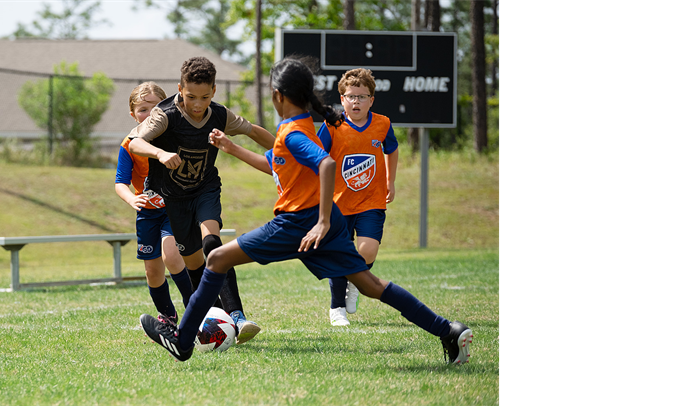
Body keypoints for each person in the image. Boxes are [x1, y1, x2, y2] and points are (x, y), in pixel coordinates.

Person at [139, 57, 473, 365]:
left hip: (298, 222)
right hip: (319, 223)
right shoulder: (296, 126)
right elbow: (272, 164)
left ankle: (183, 341)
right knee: (371, 285)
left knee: (216, 260)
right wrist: (231, 147)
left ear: (277, 95)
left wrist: (321, 221)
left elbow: (326, 165)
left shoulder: (295, 132)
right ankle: (449, 331)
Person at [128, 56, 275, 344]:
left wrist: (288, 148)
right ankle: (215, 319)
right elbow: (135, 142)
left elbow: (253, 130)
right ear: (180, 88)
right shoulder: (164, 114)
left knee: (213, 246)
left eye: (205, 97)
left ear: (214, 91)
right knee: (194, 263)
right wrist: (160, 153)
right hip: (174, 198)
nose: (198, 104)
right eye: (191, 96)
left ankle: (238, 317)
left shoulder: (219, 114)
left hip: (205, 189)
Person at [316, 68, 399, 326]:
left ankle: (354, 282)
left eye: (362, 97)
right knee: (339, 253)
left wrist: (391, 181)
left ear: (371, 100)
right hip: (338, 202)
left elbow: (392, 150)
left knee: (368, 251)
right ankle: (336, 308)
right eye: (351, 96)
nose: (356, 102)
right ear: (342, 99)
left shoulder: (382, 124)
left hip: (371, 201)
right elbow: (316, 157)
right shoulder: (332, 126)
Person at [115, 82, 194, 327]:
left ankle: (196, 309)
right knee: (153, 271)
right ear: (132, 114)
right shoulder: (129, 144)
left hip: (174, 209)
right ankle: (168, 316)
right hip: (147, 214)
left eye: (153, 108)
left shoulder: (173, 137)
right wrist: (132, 198)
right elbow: (120, 182)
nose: (148, 115)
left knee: (171, 255)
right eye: (141, 110)